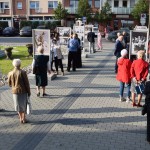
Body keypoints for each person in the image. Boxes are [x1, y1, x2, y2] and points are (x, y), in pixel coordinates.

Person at [8, 59, 31, 124]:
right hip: (23, 91)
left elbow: (9, 83)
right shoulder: (23, 72)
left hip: (15, 91)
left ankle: (20, 117)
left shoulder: (10, 73)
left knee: (17, 105)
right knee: (23, 105)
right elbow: (26, 83)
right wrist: (29, 92)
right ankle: (24, 118)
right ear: (20, 64)